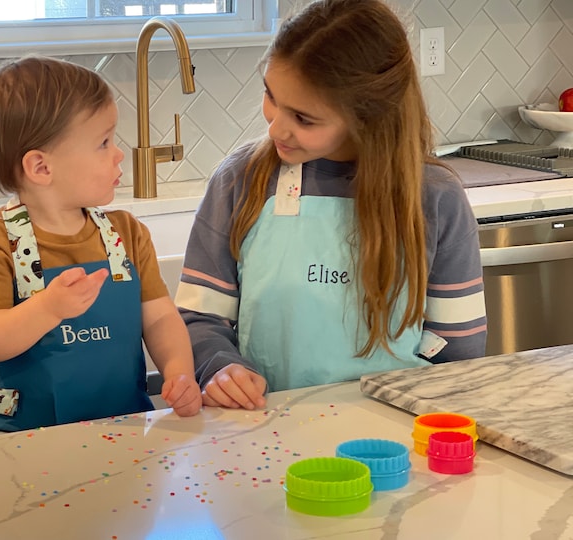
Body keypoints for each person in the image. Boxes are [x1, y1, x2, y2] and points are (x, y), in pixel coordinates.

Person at [175, 0, 487, 410]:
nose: (275, 127)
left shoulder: (434, 197)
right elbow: (201, 320)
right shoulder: (241, 180)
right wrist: (220, 367)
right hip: (264, 428)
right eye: (270, 95)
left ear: (367, 116)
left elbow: (458, 349)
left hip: (391, 436)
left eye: (304, 118)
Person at [0, 56, 202, 432]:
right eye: (103, 143)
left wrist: (180, 371)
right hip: (24, 447)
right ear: (41, 168)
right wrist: (48, 308)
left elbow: (160, 318)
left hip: (124, 432)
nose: (119, 153)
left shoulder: (127, 234)